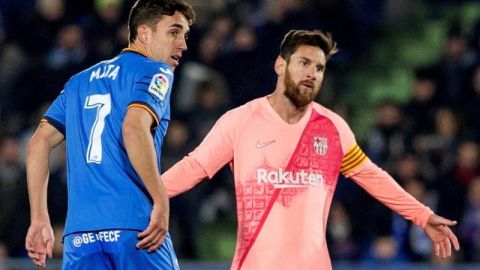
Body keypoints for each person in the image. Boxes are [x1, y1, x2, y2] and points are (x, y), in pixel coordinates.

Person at [162, 29, 460, 269]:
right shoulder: (240, 121)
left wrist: (422, 215)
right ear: (281, 65)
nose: (312, 73)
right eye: (304, 63)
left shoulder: (332, 128)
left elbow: (373, 176)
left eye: (319, 67)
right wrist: (142, 194)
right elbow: (194, 168)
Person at [24, 0, 195, 269]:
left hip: (79, 236)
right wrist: (161, 199)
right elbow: (133, 127)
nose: (183, 44)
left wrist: (38, 218)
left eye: (185, 35)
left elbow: (38, 142)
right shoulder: (155, 71)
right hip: (135, 227)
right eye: (173, 32)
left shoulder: (78, 81)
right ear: (144, 34)